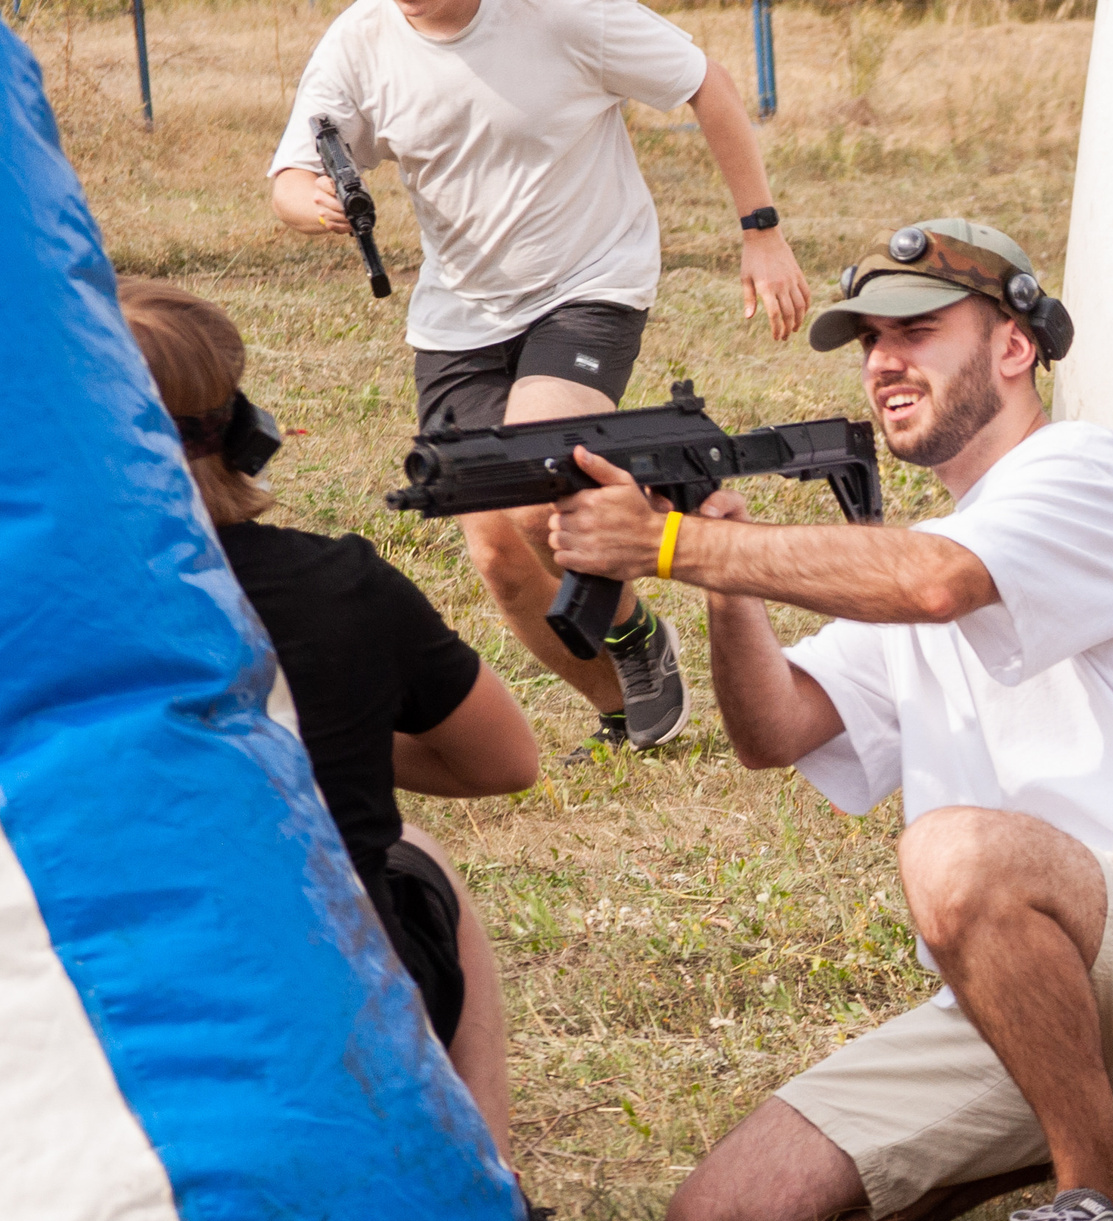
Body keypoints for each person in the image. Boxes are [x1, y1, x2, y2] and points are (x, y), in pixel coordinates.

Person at [546, 218, 1113, 1221]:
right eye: (867, 340)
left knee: (950, 854)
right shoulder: (910, 555)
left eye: (919, 330)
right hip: (1028, 996)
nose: (884, 360)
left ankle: (1103, 1219)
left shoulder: (1085, 472)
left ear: (1014, 347)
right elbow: (776, 730)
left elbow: (938, 583)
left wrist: (670, 545)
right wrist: (722, 574)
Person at [120, 280, 607, 1221]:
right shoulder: (340, 583)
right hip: (335, 1019)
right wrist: (301, 727)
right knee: (416, 851)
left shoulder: (39, 613)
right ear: (241, 428)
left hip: (111, 1013)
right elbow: (503, 759)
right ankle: (484, 1191)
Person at [267, 0, 813, 756]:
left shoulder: (564, 12)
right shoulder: (361, 40)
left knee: (532, 487)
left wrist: (764, 233)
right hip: (459, 319)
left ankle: (631, 622)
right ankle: (625, 705)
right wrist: (312, 200)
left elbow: (706, 81)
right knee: (495, 551)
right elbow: (292, 174)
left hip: (588, 285)